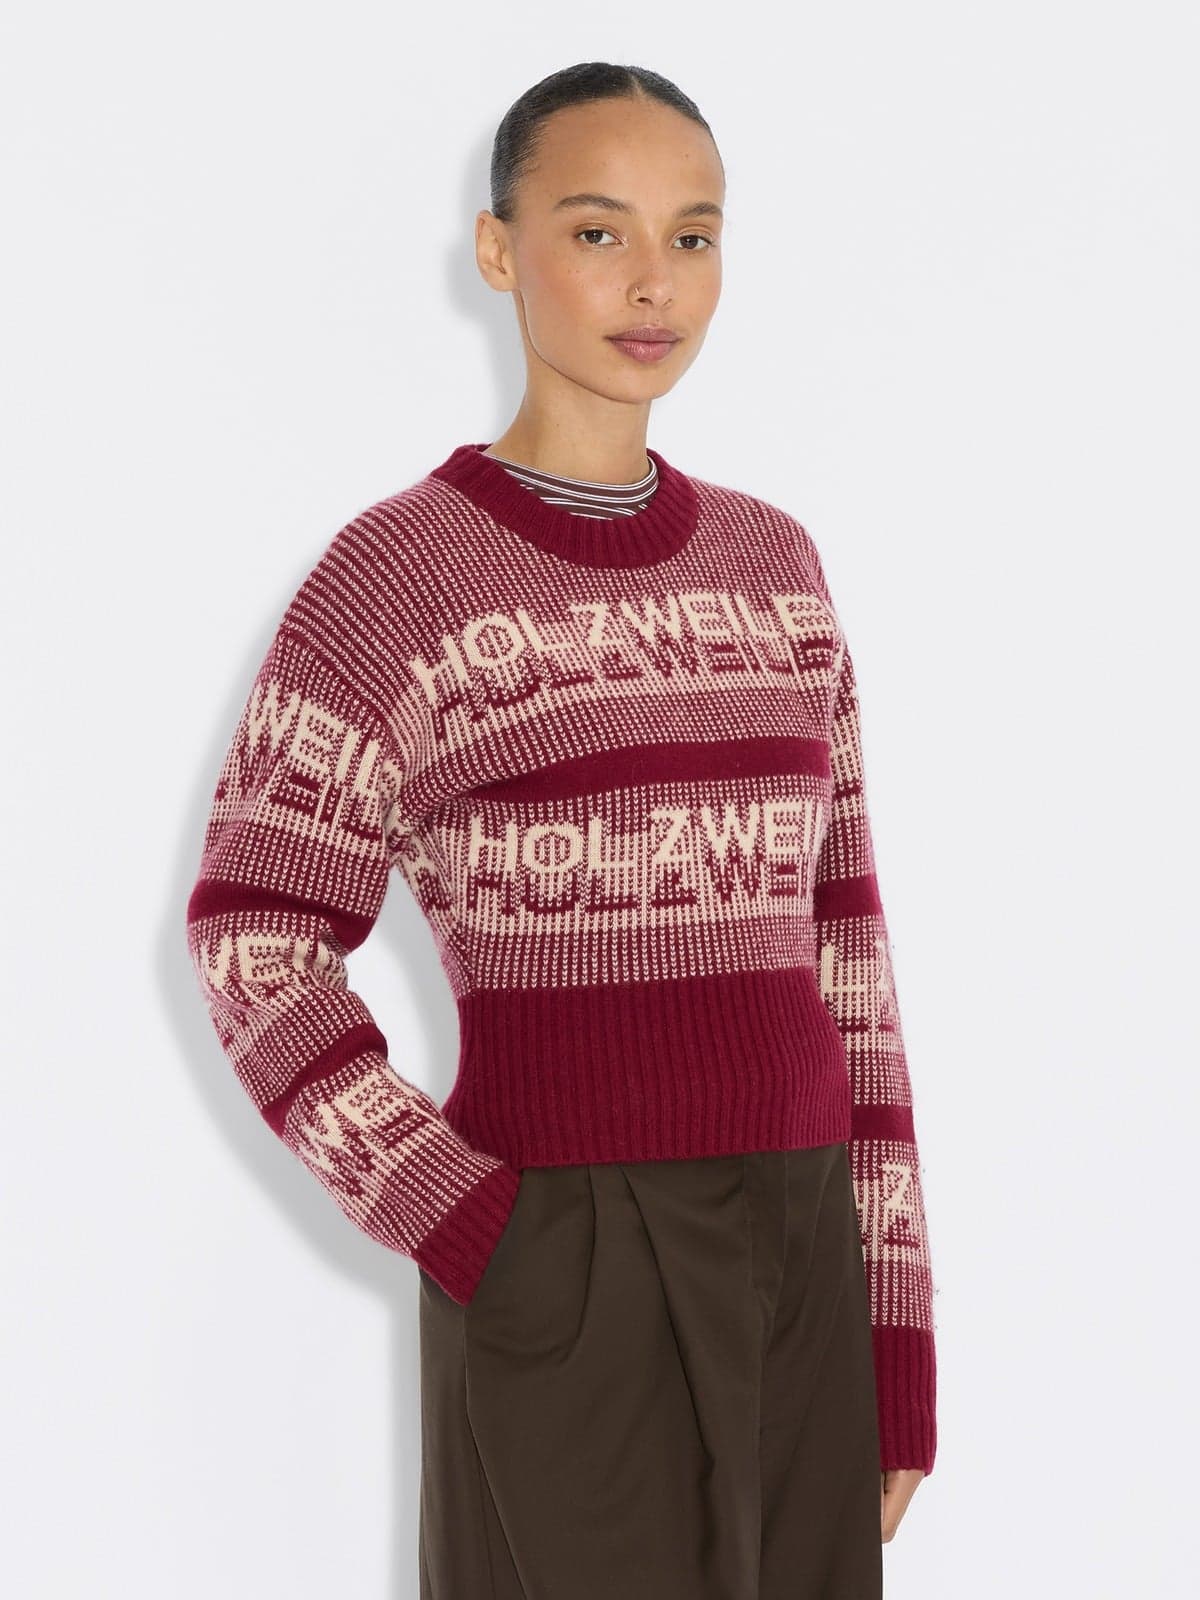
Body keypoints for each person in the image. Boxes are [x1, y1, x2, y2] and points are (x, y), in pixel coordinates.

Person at [185, 60, 938, 1600]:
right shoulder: (397, 583)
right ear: (498, 249)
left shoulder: (778, 569)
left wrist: (895, 1327)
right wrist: (468, 1223)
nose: (654, 282)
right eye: (598, 232)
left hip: (802, 1244)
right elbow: (253, 934)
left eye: (693, 236)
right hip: (563, 1254)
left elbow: (846, 952)